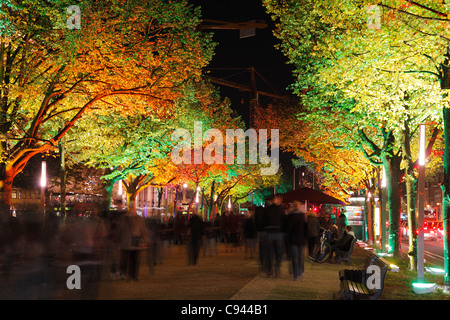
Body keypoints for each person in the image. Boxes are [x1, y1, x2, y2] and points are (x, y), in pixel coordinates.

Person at [118, 214, 149, 281]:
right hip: (130, 243)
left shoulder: (139, 219)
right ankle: (131, 275)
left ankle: (133, 275)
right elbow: (120, 231)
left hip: (133, 242)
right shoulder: (124, 219)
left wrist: (145, 239)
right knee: (131, 260)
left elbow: (143, 230)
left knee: (134, 259)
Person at [263, 194, 284, 277]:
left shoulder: (267, 210)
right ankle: (277, 268)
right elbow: (284, 220)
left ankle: (270, 269)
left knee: (270, 252)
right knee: (278, 252)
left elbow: (263, 220)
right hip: (278, 232)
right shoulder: (280, 210)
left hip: (269, 231)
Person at [286, 201, 307, 280]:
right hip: (301, 238)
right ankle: (301, 271)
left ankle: (296, 274)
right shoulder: (303, 216)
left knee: (294, 257)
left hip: (293, 239)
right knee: (300, 256)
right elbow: (305, 228)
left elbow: (288, 228)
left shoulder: (290, 216)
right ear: (298, 206)